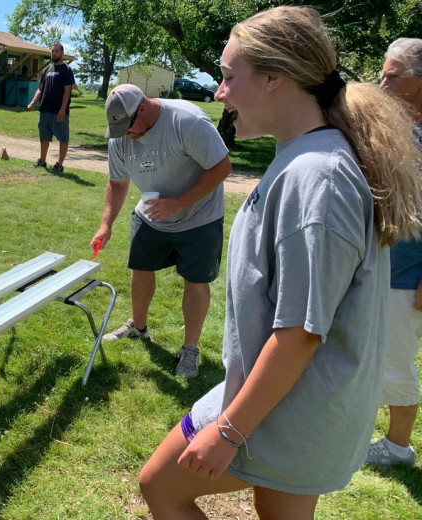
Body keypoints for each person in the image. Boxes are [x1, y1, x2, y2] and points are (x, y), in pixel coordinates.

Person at [138, 6, 422, 519]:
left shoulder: (318, 176)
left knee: (162, 485)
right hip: (288, 402)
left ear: (274, 78)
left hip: (291, 410)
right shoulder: (308, 157)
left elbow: (301, 332)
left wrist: (228, 432)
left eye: (228, 76)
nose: (219, 93)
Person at [93, 83, 232, 378]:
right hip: (151, 216)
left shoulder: (187, 121)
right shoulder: (121, 136)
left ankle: (190, 350)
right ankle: (138, 326)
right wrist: (106, 224)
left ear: (142, 108)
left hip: (199, 217)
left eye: (129, 128)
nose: (126, 136)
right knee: (141, 269)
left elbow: (221, 168)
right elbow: (117, 183)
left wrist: (179, 204)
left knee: (195, 281)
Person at [365, 37, 422, 467]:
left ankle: (398, 447)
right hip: (375, 262)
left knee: (395, 359)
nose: (381, 82)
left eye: (392, 75)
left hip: (407, 272)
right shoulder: (395, 125)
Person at [27, 43, 75, 173]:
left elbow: (67, 90)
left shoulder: (67, 70)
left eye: (56, 51)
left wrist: (63, 109)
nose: (53, 53)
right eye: (52, 51)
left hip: (58, 111)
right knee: (44, 137)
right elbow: (40, 89)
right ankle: (42, 161)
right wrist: (32, 102)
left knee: (63, 138)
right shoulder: (47, 70)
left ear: (62, 53)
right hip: (44, 110)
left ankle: (59, 164)